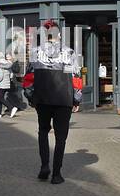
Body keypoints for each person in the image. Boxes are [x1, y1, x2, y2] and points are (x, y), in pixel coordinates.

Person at [22, 19, 81, 183]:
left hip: (43, 99)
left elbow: (28, 79)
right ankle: (56, 174)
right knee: (61, 137)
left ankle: (44, 167)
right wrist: (76, 99)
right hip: (63, 99)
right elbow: (75, 77)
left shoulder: (35, 52)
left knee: (43, 131)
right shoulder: (69, 52)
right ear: (59, 35)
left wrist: (31, 98)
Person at [0, 52, 14, 118]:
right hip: (6, 83)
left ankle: (11, 107)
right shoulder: (7, 63)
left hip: (0, 83)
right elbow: (11, 74)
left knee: (0, 98)